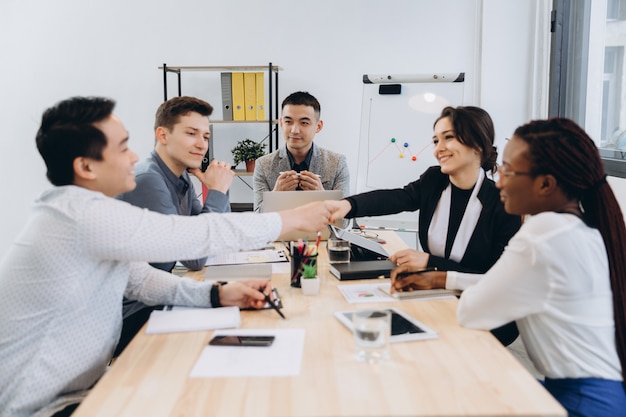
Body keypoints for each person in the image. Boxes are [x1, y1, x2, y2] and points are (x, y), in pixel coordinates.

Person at [0, 96, 336, 417]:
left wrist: (216, 293)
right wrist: (292, 218)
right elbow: (194, 238)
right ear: (86, 166)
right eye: (122, 147)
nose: (134, 157)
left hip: (85, 390)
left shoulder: (81, 212)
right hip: (44, 408)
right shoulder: (79, 215)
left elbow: (142, 280)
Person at [393, 118, 626, 416]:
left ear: (545, 184)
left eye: (508, 170)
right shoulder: (577, 227)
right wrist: (443, 278)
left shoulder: (540, 234)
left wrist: (443, 277)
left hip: (580, 403)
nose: (499, 179)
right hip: (600, 395)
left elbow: (472, 311)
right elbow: (514, 284)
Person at [327, 106, 522, 344]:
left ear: (478, 144)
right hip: (438, 297)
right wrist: (347, 205)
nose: (439, 148)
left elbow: (494, 280)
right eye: (436, 140)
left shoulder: (502, 203)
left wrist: (431, 263)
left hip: (486, 315)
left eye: (448, 137)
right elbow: (396, 198)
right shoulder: (435, 180)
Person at [115, 96, 234, 355]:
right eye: (192, 134)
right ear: (163, 134)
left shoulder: (182, 180)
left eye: (206, 137)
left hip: (156, 300)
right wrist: (216, 190)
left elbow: (209, 241)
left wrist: (219, 191)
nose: (201, 144)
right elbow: (195, 256)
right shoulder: (148, 180)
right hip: (130, 314)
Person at [253, 91, 350, 211]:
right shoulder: (263, 165)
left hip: (320, 230)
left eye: (304, 123)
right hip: (282, 229)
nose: (294, 130)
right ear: (281, 123)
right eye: (288, 122)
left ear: (318, 126)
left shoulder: (337, 164)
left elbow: (345, 221)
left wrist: (322, 196)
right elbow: (258, 220)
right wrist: (276, 195)